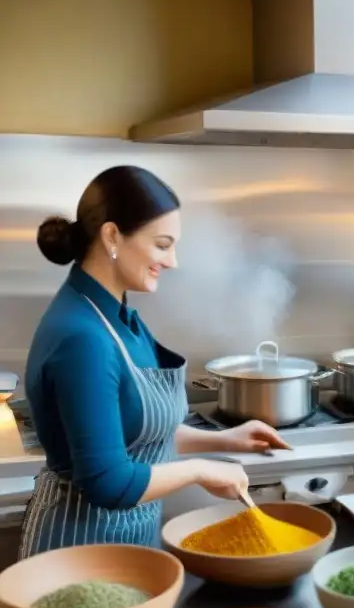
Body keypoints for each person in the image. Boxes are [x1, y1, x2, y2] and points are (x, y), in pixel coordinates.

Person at [19, 165, 288, 559]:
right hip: (76, 554)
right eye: (163, 245)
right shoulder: (83, 338)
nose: (173, 261)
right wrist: (200, 469)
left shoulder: (120, 316)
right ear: (112, 236)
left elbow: (132, 431)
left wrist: (222, 440)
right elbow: (108, 482)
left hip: (127, 547)